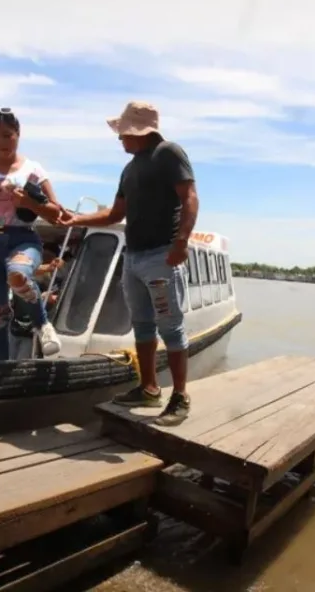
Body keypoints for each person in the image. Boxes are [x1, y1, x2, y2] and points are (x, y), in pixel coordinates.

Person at [59, 101, 199, 426]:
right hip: (133, 257)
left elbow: (189, 196)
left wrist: (181, 242)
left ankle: (180, 396)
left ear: (138, 131)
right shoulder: (129, 169)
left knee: (171, 328)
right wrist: (75, 219)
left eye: (122, 133)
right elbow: (114, 214)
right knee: (142, 325)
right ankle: (149, 388)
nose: (119, 139)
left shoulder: (169, 153)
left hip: (161, 256)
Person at [0, 107, 64, 361]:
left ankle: (43, 325)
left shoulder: (33, 170)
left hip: (21, 238)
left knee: (18, 275)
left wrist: (30, 204)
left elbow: (56, 213)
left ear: (18, 134)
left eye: (7, 135)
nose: (1, 141)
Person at [8, 244, 65, 359]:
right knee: (8, 360)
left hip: (31, 331)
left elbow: (58, 298)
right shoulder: (21, 274)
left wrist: (49, 298)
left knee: (21, 363)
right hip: (14, 327)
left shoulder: (54, 281)